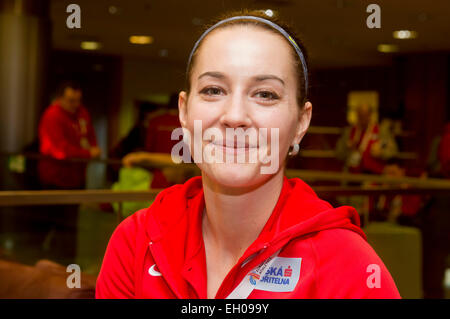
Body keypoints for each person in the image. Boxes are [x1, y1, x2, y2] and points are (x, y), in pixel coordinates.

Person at [96, 10, 400, 299]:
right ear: (184, 112)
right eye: (213, 90)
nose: (235, 115)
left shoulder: (348, 266)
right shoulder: (136, 244)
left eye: (265, 94)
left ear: (301, 123)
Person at [37, 81, 100, 264]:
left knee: (71, 225)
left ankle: (67, 265)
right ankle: (52, 262)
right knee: (55, 224)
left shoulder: (82, 113)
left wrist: (90, 150)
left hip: (76, 178)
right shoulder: (52, 115)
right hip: (55, 179)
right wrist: (88, 153)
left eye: (78, 100)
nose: (75, 105)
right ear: (60, 98)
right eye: (71, 100)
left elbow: (90, 137)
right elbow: (58, 150)